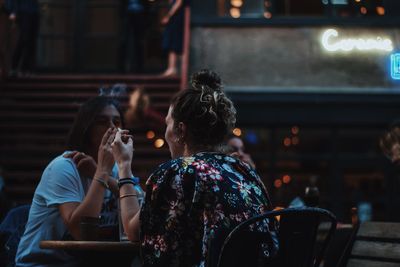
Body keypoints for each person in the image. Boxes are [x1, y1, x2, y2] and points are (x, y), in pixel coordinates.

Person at [112, 70, 278, 266]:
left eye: (168, 124)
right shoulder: (245, 171)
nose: (165, 132)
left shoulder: (178, 173)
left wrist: (123, 164)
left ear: (181, 130)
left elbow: (133, 231)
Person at [15, 96, 137, 267]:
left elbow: (142, 208)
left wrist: (100, 172)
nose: (111, 127)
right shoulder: (64, 167)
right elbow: (82, 232)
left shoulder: (117, 168)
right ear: (86, 128)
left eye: (116, 121)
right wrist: (101, 172)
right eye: (102, 121)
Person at [7, 0, 39, 77]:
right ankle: (18, 68)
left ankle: (26, 69)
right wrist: (13, 12)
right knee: (25, 40)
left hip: (34, 12)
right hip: (23, 12)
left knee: (31, 41)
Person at [118, 0, 148, 73]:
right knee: (123, 41)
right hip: (127, 14)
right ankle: (121, 68)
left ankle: (139, 68)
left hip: (140, 14)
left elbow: (147, 3)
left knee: (139, 42)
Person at [160, 0, 188, 76]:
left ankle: (175, 69)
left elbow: (179, 3)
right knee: (173, 44)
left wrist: (168, 16)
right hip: (176, 18)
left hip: (177, 18)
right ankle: (173, 68)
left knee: (176, 43)